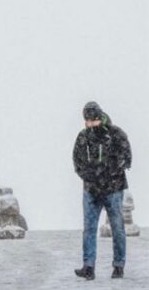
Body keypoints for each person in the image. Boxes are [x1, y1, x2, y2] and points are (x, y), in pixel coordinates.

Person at [73, 102, 132, 280]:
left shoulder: (117, 134)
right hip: (90, 190)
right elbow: (77, 162)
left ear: (100, 117)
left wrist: (107, 176)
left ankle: (119, 266)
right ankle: (88, 267)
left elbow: (126, 159)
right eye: (87, 121)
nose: (89, 124)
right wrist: (89, 177)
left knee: (117, 228)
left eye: (92, 120)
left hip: (113, 190)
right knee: (89, 229)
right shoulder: (82, 137)